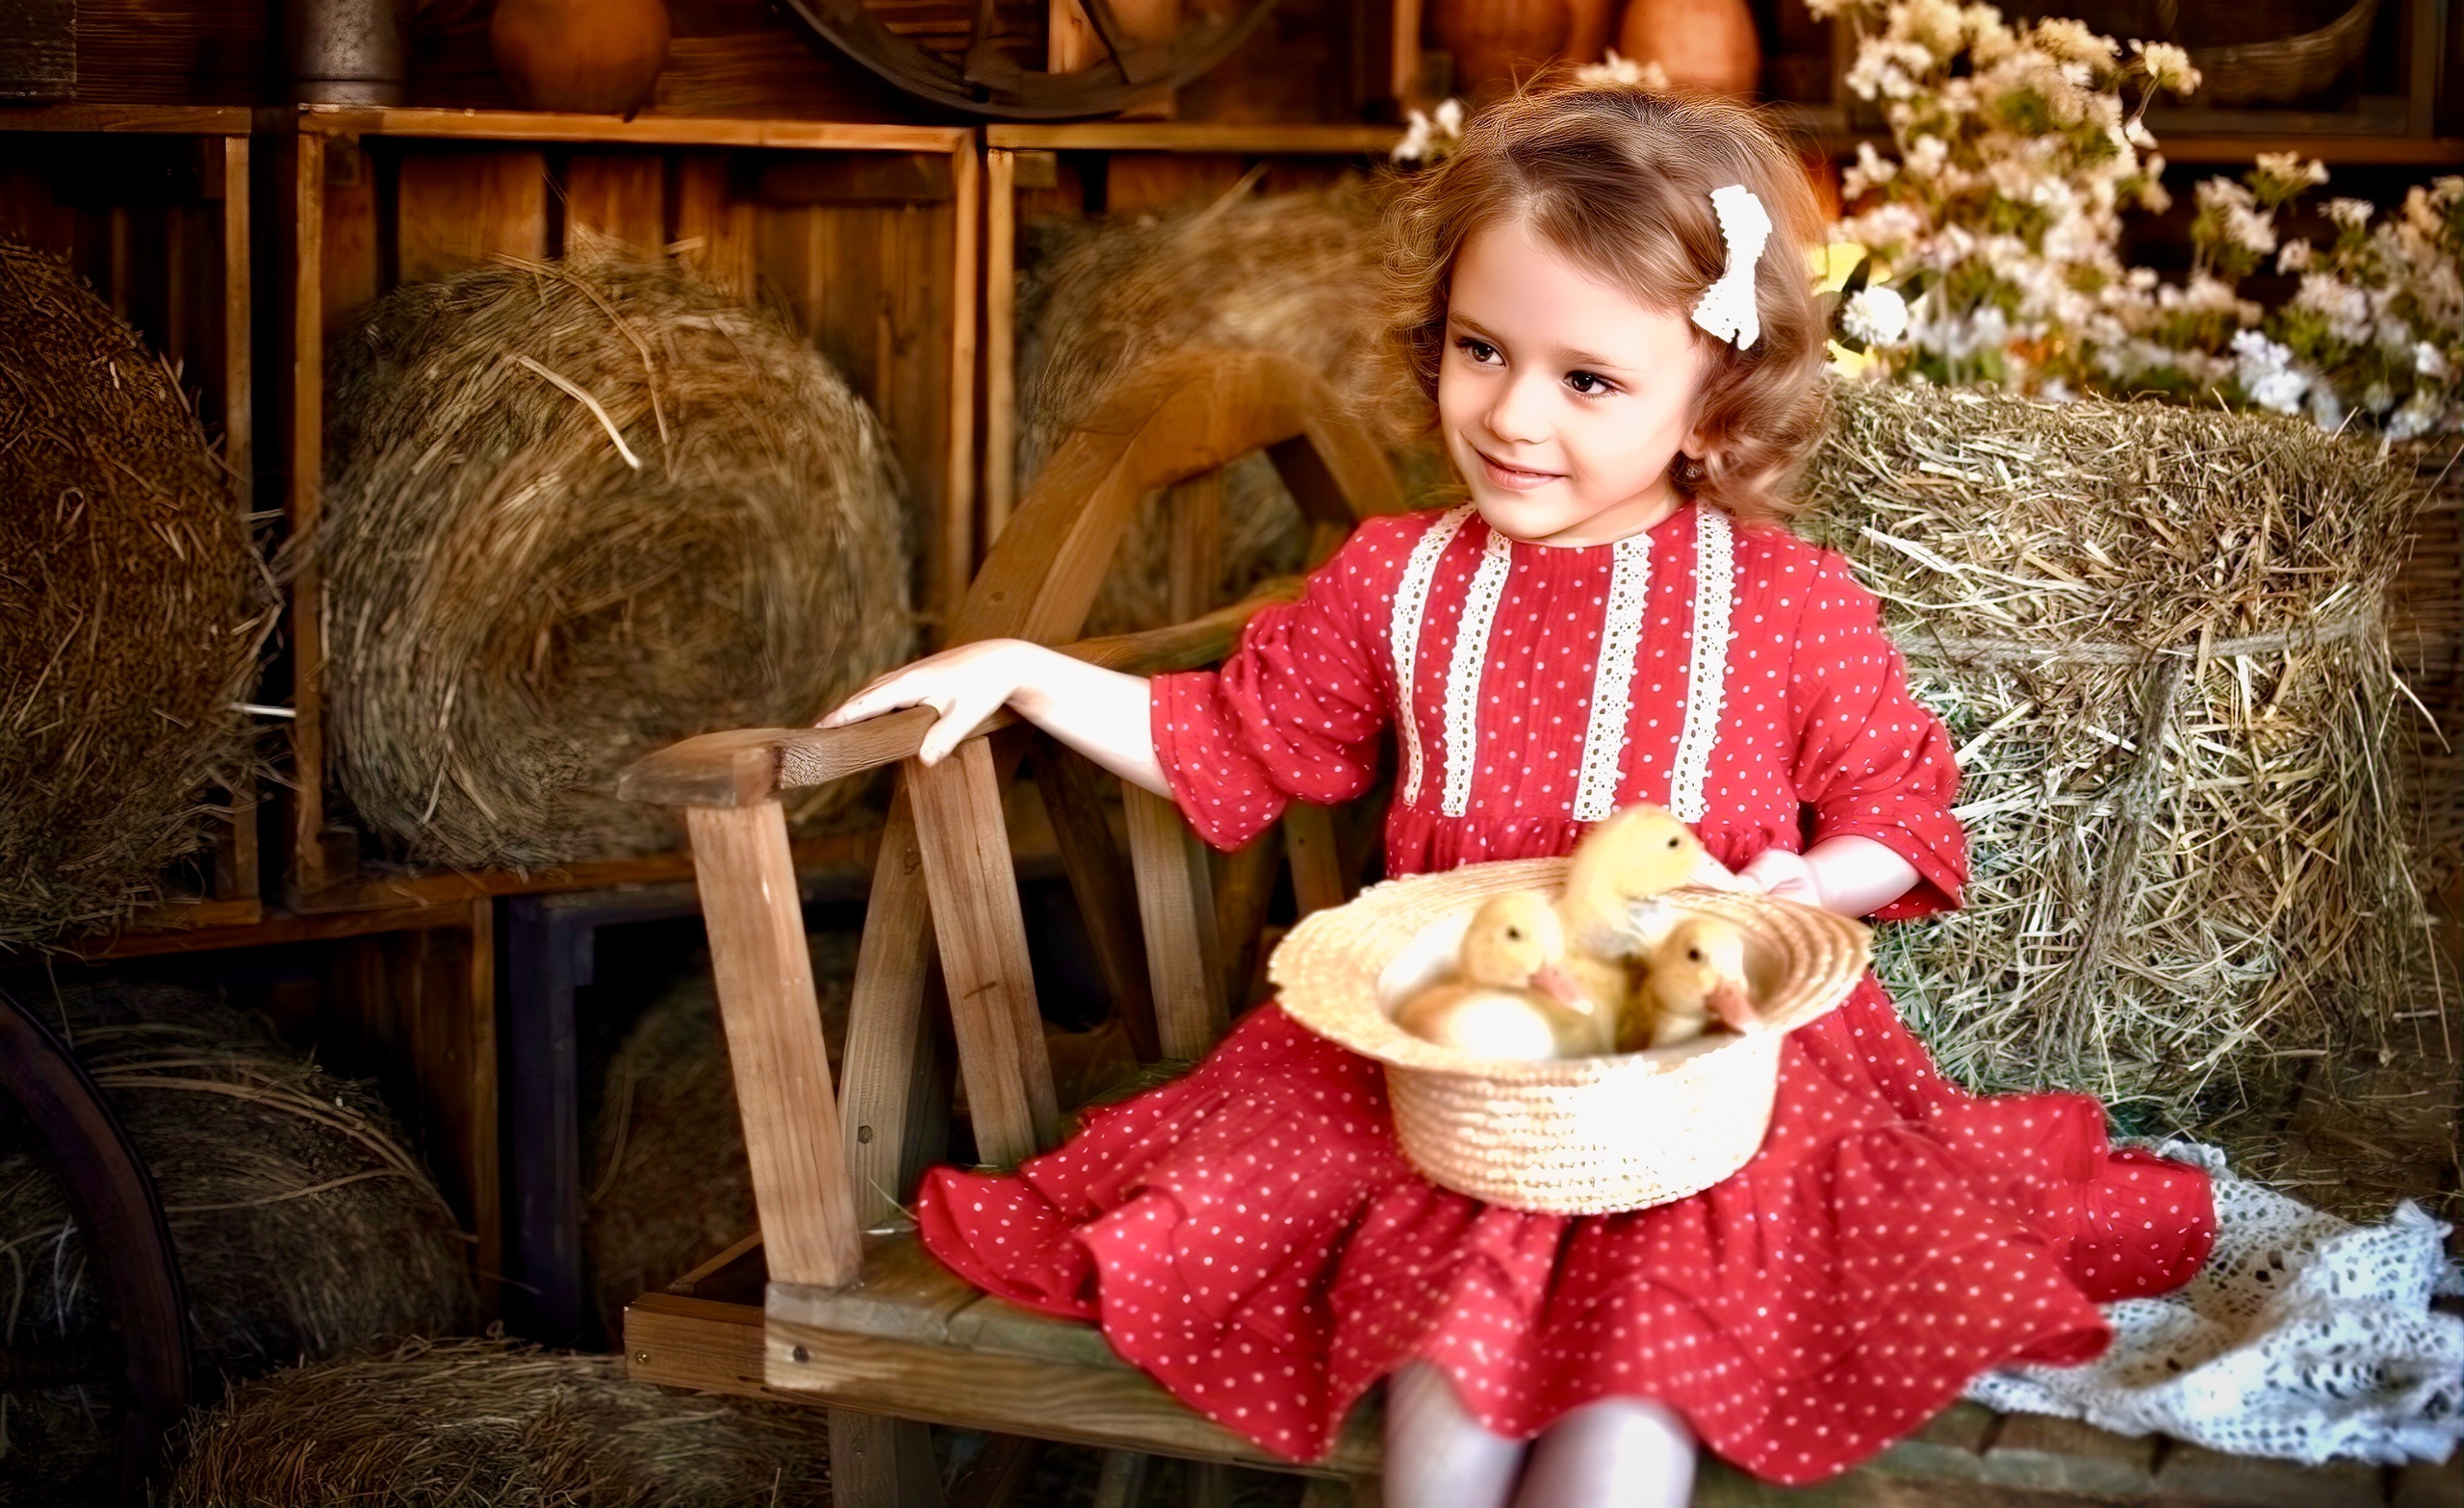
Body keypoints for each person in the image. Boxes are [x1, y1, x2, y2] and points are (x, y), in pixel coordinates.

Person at [818, 81, 2217, 1508]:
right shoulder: (1398, 579)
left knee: (1634, 1397)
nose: (1512, 413)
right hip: (1447, 1075)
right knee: (1450, 1376)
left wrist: (1804, 884)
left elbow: (1896, 811)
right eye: (1482, 350)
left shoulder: (1783, 602)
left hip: (1709, 1077)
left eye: (1586, 379)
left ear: (1714, 402)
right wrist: (1027, 668)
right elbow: (1232, 734)